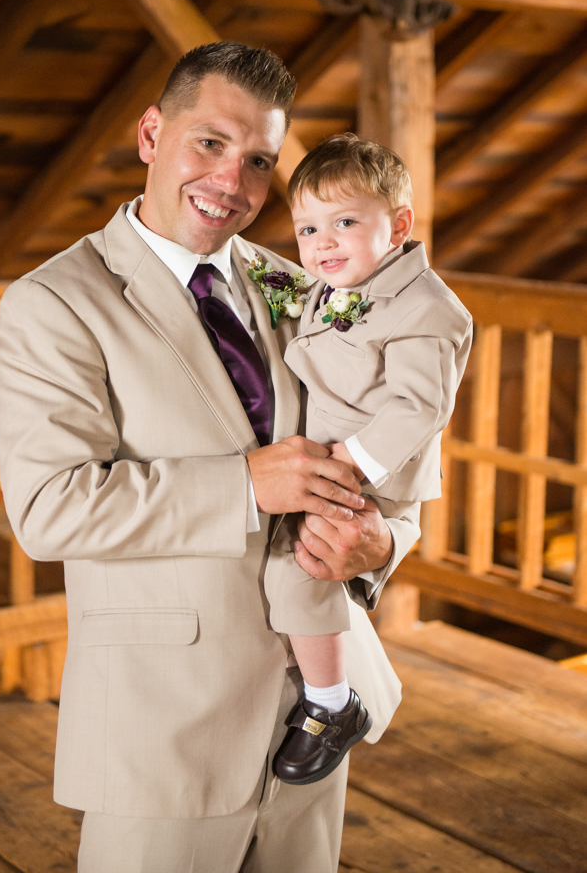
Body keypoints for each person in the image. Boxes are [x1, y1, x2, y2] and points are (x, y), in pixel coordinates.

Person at [0, 43, 422, 873]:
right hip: (165, 723)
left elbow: (380, 443)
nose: (233, 180)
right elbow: (49, 510)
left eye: (259, 158)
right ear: (151, 134)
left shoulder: (300, 284)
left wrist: (383, 545)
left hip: (313, 709)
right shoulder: (53, 302)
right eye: (209, 144)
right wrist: (243, 486)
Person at [263, 134, 472, 786]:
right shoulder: (338, 283)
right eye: (307, 228)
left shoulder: (427, 309)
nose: (322, 242)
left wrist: (349, 463)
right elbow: (303, 313)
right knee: (289, 573)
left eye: (344, 222)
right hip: (329, 461)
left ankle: (332, 706)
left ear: (399, 226)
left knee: (298, 572)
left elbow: (418, 407)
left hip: (368, 474)